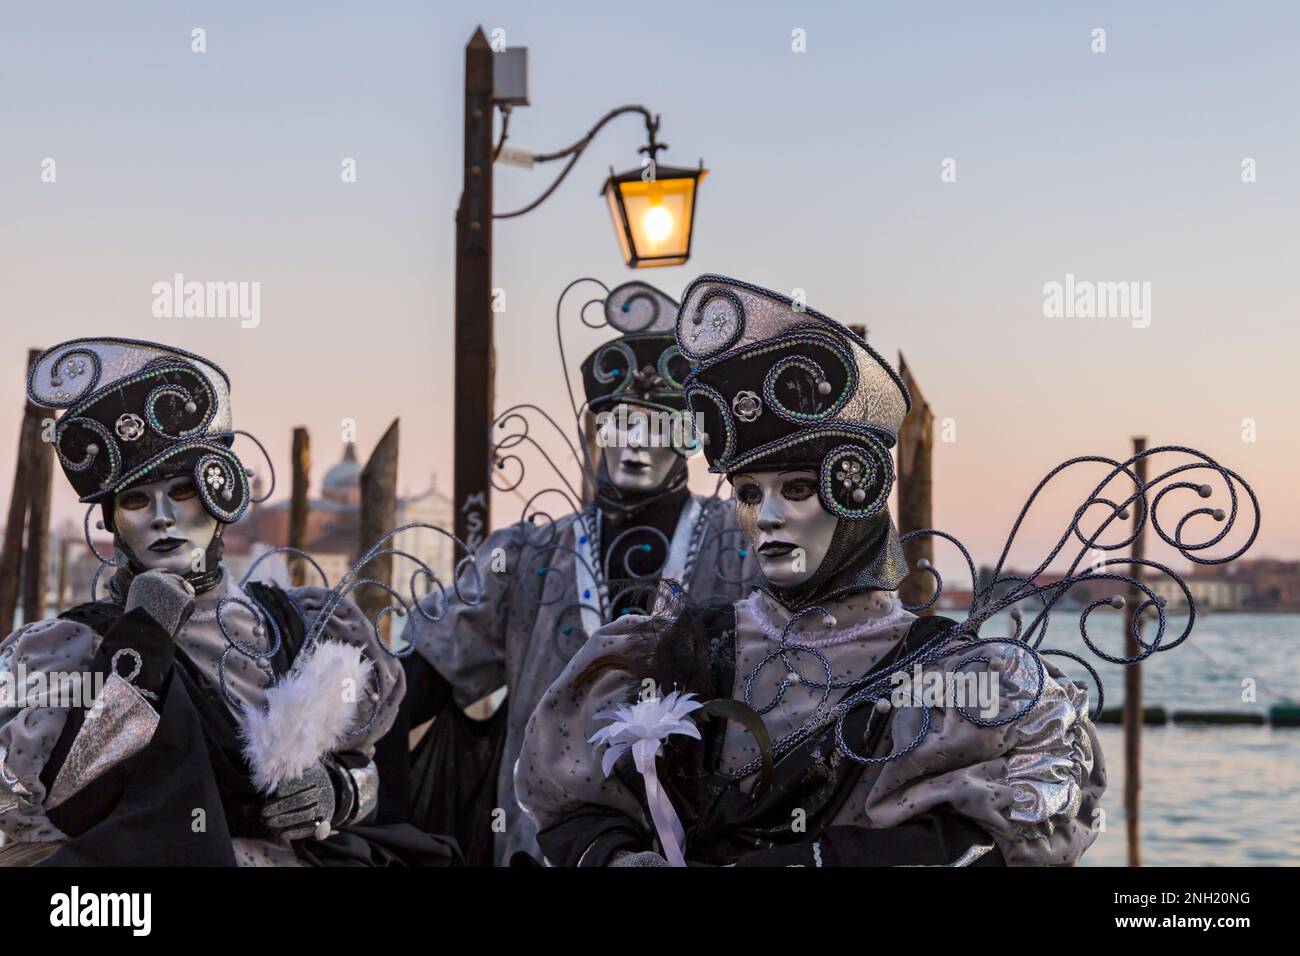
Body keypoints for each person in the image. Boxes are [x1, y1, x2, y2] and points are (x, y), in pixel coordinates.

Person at [518, 274, 1149, 866]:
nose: (766, 517)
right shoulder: (675, 648)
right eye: (747, 493)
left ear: (858, 496)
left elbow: (1044, 816)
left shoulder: (953, 678)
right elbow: (569, 804)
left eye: (795, 488)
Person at [0, 338, 455, 866]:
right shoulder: (73, 649)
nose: (163, 518)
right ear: (112, 523)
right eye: (136, 500)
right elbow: (64, 809)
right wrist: (142, 636)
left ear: (221, 497)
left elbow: (367, 766)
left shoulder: (295, 624)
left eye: (183, 491)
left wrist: (340, 790)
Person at [387, 280, 755, 865]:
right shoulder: (532, 556)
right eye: (620, 422)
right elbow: (428, 670)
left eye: (658, 426)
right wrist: (340, 728)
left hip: (698, 842)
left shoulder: (742, 548)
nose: (636, 443)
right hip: (542, 844)